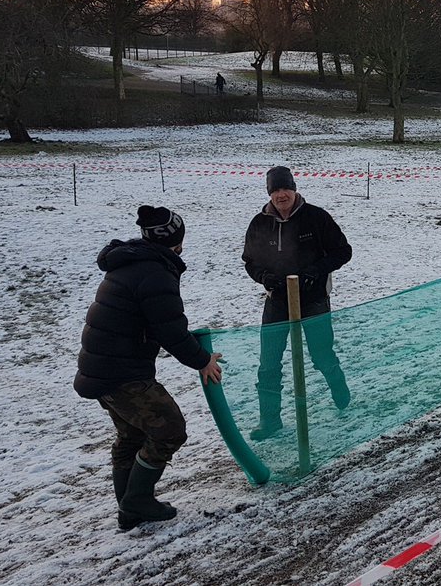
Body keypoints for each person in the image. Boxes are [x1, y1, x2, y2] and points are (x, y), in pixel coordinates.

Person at [74, 205, 223, 531]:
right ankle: (136, 500)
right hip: (121, 372)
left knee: (132, 435)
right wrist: (202, 360)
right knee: (170, 429)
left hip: (102, 366)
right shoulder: (155, 272)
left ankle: (129, 512)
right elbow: (169, 329)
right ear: (176, 242)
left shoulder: (133, 262)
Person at [243, 166, 353, 441]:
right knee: (268, 364)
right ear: (269, 193)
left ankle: (337, 384)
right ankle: (270, 420)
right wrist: (264, 278)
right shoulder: (259, 223)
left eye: (285, 189)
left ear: (294, 188)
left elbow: (343, 251)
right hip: (277, 300)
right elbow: (250, 261)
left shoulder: (316, 217)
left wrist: (317, 270)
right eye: (275, 190)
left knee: (321, 355)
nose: (281, 195)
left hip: (313, 298)